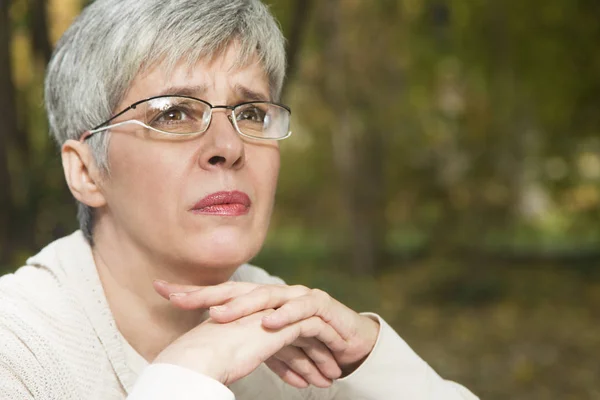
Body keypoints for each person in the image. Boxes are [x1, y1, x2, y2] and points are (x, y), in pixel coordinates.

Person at [0, 0, 478, 399]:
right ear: (86, 171)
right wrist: (187, 374)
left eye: (250, 112)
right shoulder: (16, 349)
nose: (229, 147)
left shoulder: (290, 336)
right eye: (173, 114)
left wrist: (369, 359)